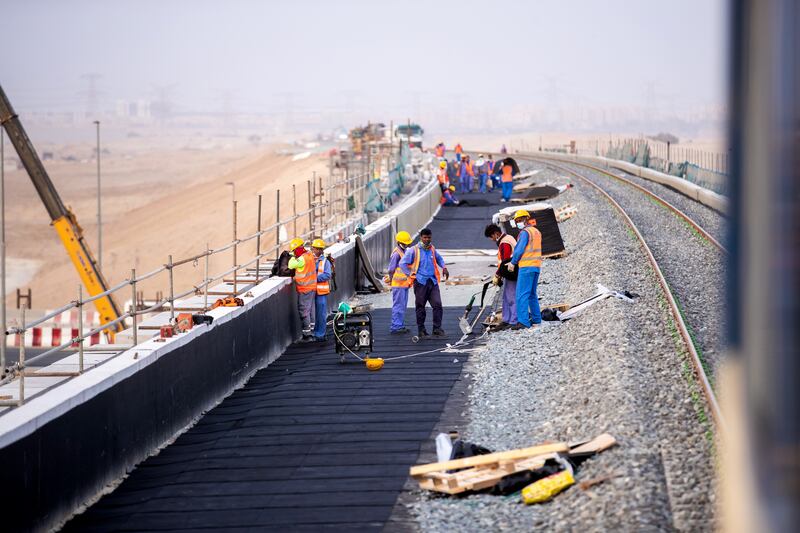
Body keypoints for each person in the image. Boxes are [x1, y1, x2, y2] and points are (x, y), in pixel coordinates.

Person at [399, 228, 450, 337]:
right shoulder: (414, 250)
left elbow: (439, 258)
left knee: (437, 305)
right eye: (425, 237)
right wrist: (411, 275)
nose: (427, 239)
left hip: (432, 281)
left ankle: (437, 328)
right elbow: (403, 263)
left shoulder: (432, 249)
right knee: (420, 306)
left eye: (429, 237)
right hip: (420, 282)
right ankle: (421, 330)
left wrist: (444, 267)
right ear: (421, 238)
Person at [507, 210, 542, 329]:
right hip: (536, 266)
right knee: (532, 294)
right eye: (516, 221)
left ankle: (523, 322)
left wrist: (513, 262)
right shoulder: (536, 231)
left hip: (526, 267)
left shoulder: (525, 232)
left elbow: (519, 249)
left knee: (521, 295)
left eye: (519, 220)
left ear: (525, 219)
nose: (518, 223)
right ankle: (537, 319)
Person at [484, 223, 517, 329]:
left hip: (513, 272)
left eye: (491, 237)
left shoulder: (504, 243)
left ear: (496, 233)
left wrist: (498, 275)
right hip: (510, 272)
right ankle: (507, 319)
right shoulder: (508, 238)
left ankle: (513, 321)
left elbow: (505, 262)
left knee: (511, 297)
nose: (492, 240)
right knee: (506, 297)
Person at [287, 238, 317, 341]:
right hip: (311, 287)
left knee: (304, 311)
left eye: (294, 250)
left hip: (305, 289)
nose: (294, 252)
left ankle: (307, 335)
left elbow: (290, 265)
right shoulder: (309, 255)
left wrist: (292, 257)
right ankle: (312, 330)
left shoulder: (302, 259)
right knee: (311, 310)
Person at [385, 231, 414, 334]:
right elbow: (391, 269)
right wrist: (391, 279)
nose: (409, 244)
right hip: (398, 285)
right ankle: (396, 327)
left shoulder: (403, 251)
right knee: (398, 306)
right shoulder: (396, 254)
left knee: (402, 306)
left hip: (404, 284)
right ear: (401, 242)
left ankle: (399, 325)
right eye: (407, 243)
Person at [311, 238, 332, 341]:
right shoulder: (310, 259)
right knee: (313, 314)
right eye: (313, 248)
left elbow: (327, 275)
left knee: (320, 314)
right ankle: (314, 333)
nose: (313, 250)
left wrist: (314, 279)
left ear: (320, 250)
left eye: (315, 249)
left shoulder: (325, 262)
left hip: (320, 292)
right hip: (311, 291)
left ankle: (320, 334)